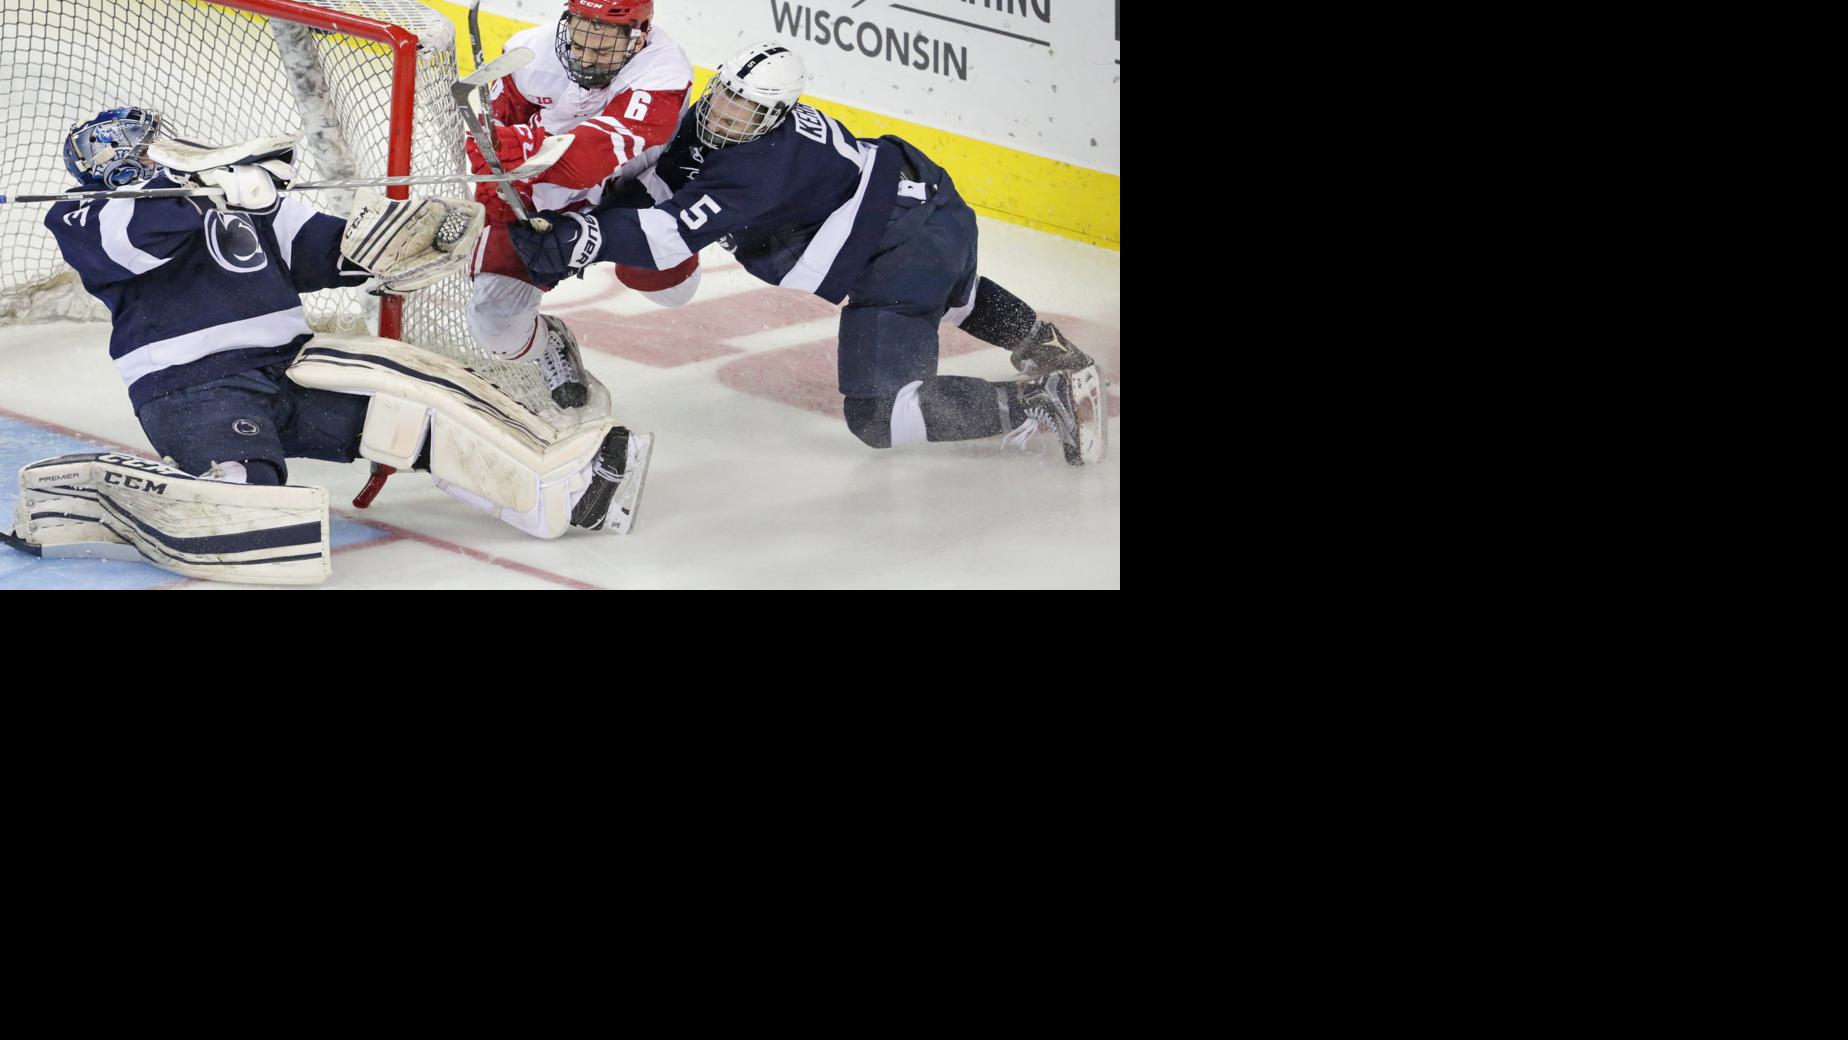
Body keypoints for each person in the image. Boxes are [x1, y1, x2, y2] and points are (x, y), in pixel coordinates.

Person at [5, 106, 651, 584]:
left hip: (294, 370)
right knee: (253, 505)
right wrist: (211, 189)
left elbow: (325, 252)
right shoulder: (83, 213)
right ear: (118, 165)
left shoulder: (242, 196)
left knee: (410, 393)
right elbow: (136, 236)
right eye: (149, 151)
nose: (164, 153)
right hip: (193, 388)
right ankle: (127, 493)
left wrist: (399, 243)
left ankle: (556, 489)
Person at [509, 41, 1106, 465]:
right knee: (955, 294)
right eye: (724, 98)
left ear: (776, 115)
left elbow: (669, 235)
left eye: (745, 112)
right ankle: (1054, 352)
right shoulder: (718, 121)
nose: (724, 116)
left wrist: (584, 239)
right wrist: (585, 218)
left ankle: (1040, 399)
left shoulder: (762, 166)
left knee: (876, 416)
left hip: (899, 249)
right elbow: (664, 181)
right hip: (928, 209)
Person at [464, 0, 698, 409]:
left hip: (633, 195)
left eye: (603, 52)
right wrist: (498, 190)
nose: (587, 61)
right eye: (579, 45)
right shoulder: (528, 54)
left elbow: (583, 163)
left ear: (639, 36)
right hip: (544, 201)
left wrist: (517, 150)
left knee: (672, 290)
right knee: (496, 327)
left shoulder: (663, 70)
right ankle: (552, 340)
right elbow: (487, 137)